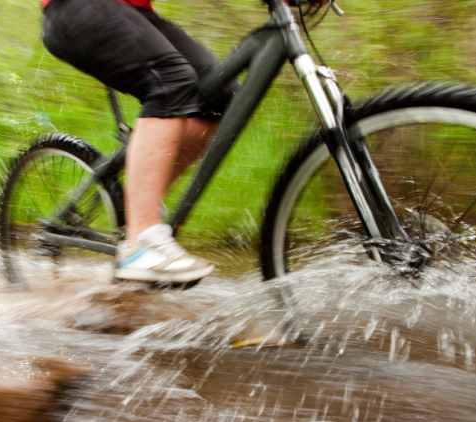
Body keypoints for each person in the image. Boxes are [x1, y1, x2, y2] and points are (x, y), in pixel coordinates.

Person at [41, 0, 320, 284]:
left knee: (219, 97)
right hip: (76, 8)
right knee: (170, 81)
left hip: (131, 12)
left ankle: (141, 207)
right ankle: (142, 243)